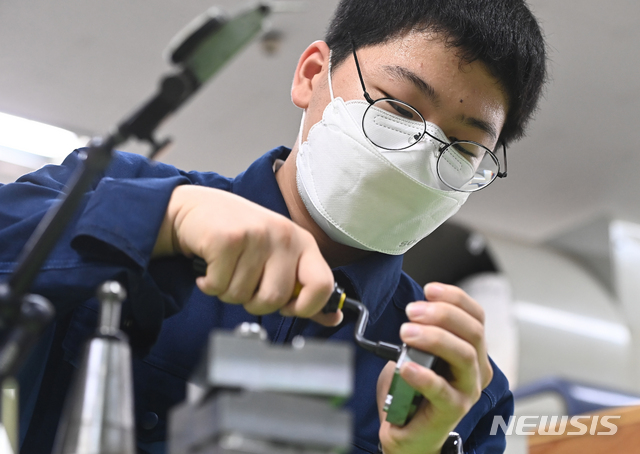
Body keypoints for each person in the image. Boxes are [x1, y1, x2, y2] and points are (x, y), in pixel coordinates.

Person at [3, 0, 547, 453]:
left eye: (464, 148)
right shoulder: (112, 191)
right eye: (399, 109)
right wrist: (167, 219)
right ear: (313, 75)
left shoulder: (460, 387)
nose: (419, 155)